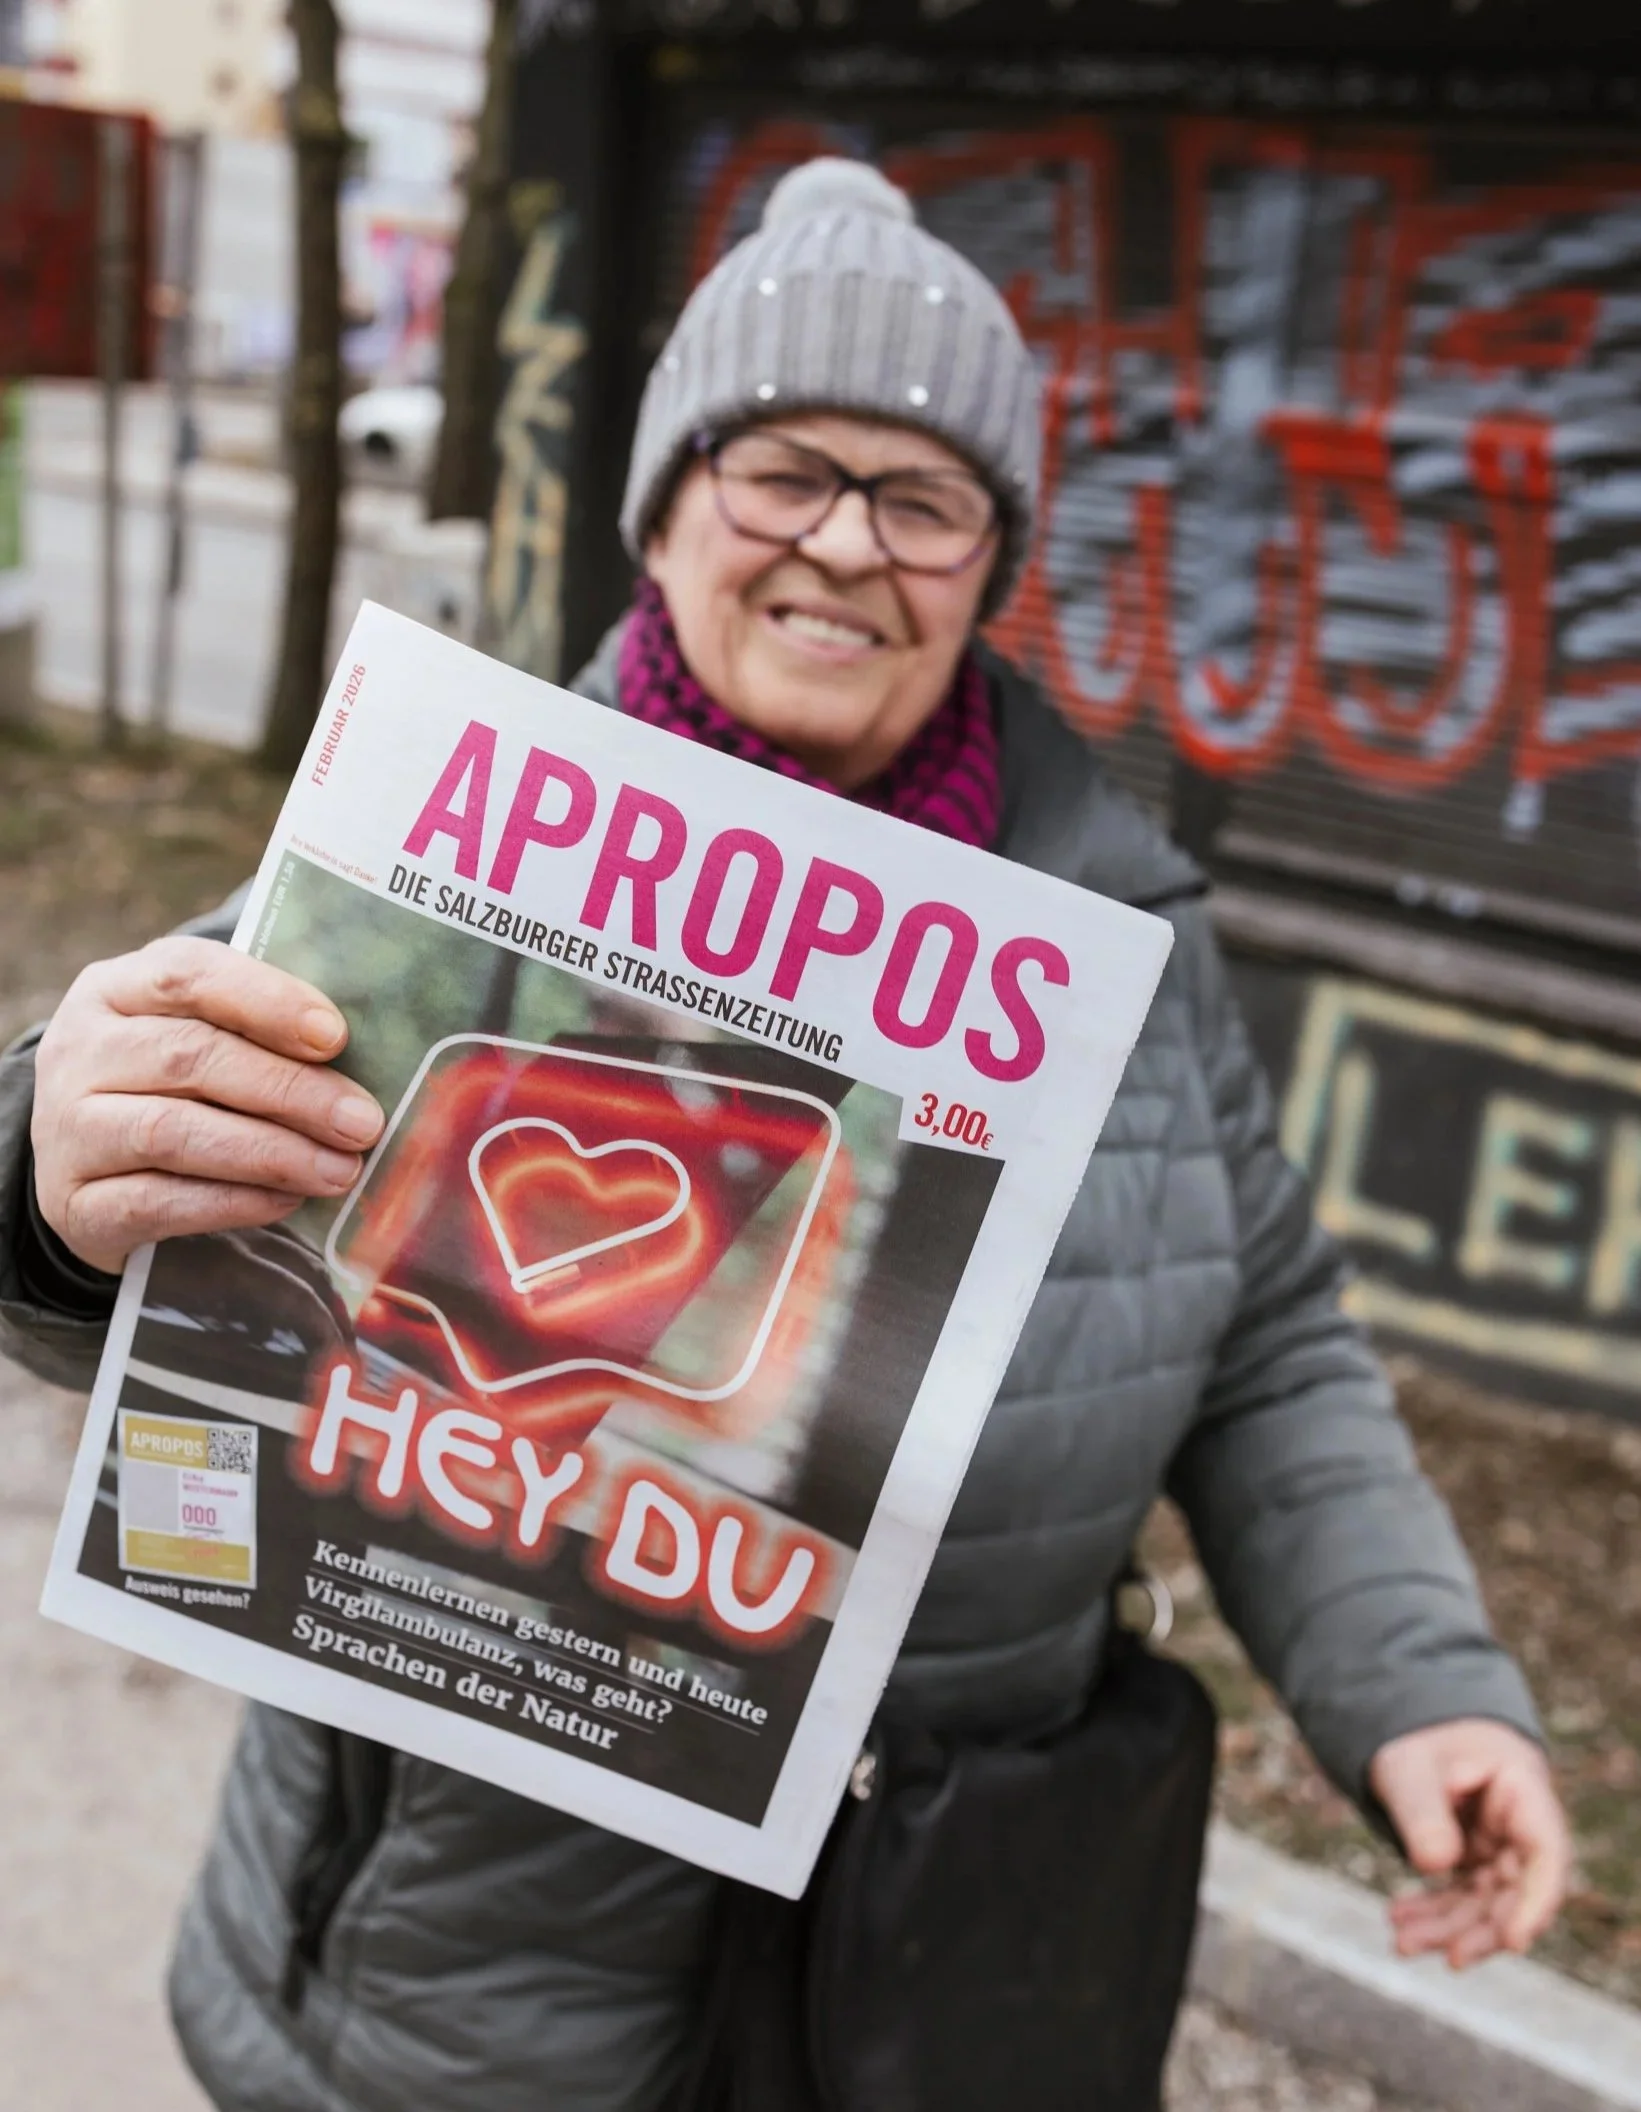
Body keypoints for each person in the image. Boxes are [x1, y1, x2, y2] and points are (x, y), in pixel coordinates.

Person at [1, 160, 1568, 2112]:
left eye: (922, 501)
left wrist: (1411, 1680)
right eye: (780, 471)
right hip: (470, 1987)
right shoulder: (441, 849)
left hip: (929, 1964)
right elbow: (141, 1225)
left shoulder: (1115, 941)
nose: (845, 544)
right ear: (664, 513)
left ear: (988, 565)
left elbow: (1259, 1343)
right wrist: (50, 1182)